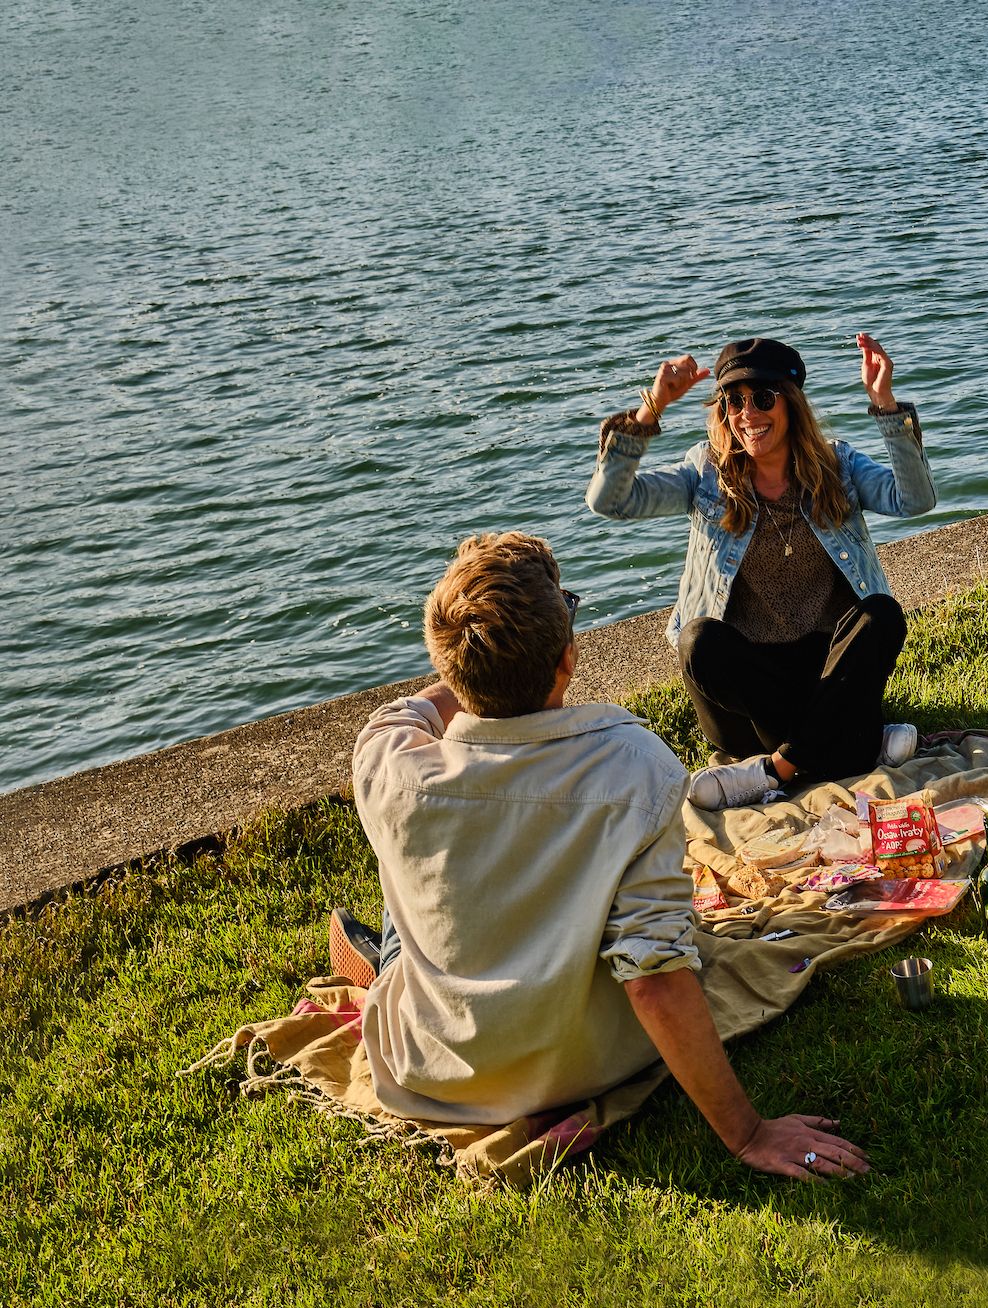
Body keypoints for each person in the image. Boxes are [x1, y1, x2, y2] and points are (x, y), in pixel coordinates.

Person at [332, 531, 867, 1180]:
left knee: (409, 876)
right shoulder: (631, 766)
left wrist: (472, 662)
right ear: (566, 659)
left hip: (434, 1067)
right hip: (586, 1060)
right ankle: (392, 959)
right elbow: (654, 978)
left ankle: (388, 964)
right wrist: (748, 1133)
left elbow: (421, 708)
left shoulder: (387, 757)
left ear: (448, 662)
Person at [586, 333, 936, 810]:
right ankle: (853, 744)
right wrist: (652, 407)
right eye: (734, 401)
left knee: (882, 614)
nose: (748, 414)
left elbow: (913, 500)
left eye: (763, 398)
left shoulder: (838, 466)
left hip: (824, 671)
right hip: (745, 691)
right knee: (698, 640)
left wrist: (885, 404)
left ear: (791, 404)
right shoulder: (705, 473)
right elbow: (610, 501)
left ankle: (777, 768)